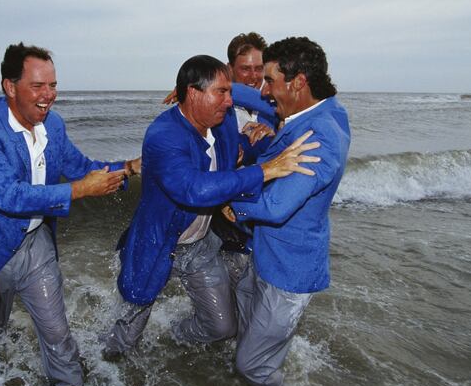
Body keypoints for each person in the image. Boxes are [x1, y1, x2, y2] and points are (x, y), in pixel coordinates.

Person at [0, 42, 140, 386]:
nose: (48, 95)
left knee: (58, 334)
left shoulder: (53, 126)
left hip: (35, 245)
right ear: (10, 86)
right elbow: (8, 195)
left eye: (53, 85)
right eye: (38, 86)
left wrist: (128, 169)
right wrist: (79, 191)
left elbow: (81, 168)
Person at [101, 55, 320, 359]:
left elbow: (260, 119)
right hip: (155, 244)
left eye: (230, 93)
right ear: (193, 93)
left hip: (201, 245)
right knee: (122, 344)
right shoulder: (163, 134)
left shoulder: (224, 123)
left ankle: (172, 335)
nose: (230, 102)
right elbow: (194, 189)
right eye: (222, 92)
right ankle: (109, 370)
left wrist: (265, 138)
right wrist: (264, 171)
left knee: (221, 327)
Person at [225, 37, 350, 386]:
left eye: (270, 80)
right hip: (264, 254)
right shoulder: (324, 110)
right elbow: (257, 98)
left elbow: (277, 205)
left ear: (298, 83)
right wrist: (214, 86)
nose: (264, 90)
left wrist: (230, 202)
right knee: (248, 338)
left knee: (252, 364)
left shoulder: (321, 137)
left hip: (289, 271)